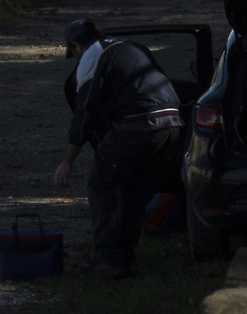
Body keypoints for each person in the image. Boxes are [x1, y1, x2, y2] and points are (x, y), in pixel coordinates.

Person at [53, 19, 182, 279]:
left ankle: (107, 259)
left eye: (73, 52)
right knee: (134, 193)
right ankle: (124, 257)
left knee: (102, 186)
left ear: (76, 46)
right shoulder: (132, 46)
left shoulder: (92, 55)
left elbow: (86, 110)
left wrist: (67, 160)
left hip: (137, 125)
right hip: (172, 124)